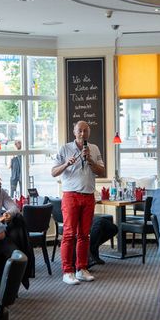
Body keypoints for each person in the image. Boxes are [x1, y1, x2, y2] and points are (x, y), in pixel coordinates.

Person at [51, 120, 105, 285]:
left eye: (86, 131)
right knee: (69, 234)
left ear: (89, 133)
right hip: (71, 196)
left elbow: (101, 171)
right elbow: (53, 172)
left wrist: (90, 160)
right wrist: (66, 164)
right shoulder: (65, 149)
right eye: (80, 131)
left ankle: (81, 269)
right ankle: (67, 271)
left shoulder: (94, 149)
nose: (83, 134)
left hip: (88, 195)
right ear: (74, 132)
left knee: (84, 234)